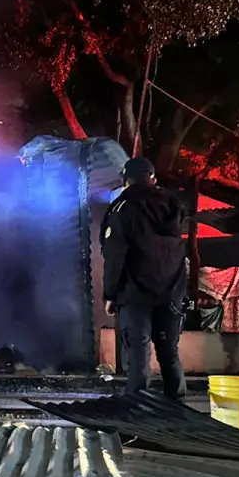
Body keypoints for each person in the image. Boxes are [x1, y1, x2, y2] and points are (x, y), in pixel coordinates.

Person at [101, 157, 188, 401]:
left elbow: (115, 255)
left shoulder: (122, 207)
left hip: (135, 294)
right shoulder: (173, 204)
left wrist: (110, 294)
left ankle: (138, 413)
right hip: (172, 292)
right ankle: (178, 408)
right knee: (169, 351)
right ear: (153, 178)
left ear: (125, 180)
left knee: (139, 356)